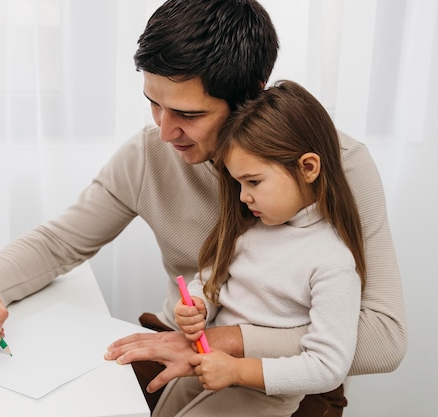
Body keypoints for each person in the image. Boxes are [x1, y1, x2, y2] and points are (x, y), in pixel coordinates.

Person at [0, 0, 407, 415]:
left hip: (283, 379)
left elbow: (385, 339)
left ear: (252, 94)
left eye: (189, 114)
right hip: (176, 346)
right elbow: (60, 241)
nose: (165, 132)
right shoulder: (151, 153)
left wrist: (223, 344)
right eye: (153, 104)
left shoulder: (336, 166)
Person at [152, 80, 364, 417]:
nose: (242, 196)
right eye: (238, 183)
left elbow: (328, 366)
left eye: (253, 182)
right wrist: (197, 305)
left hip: (261, 390)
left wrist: (237, 371)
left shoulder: (331, 260)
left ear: (308, 168)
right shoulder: (252, 227)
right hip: (209, 360)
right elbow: (212, 278)